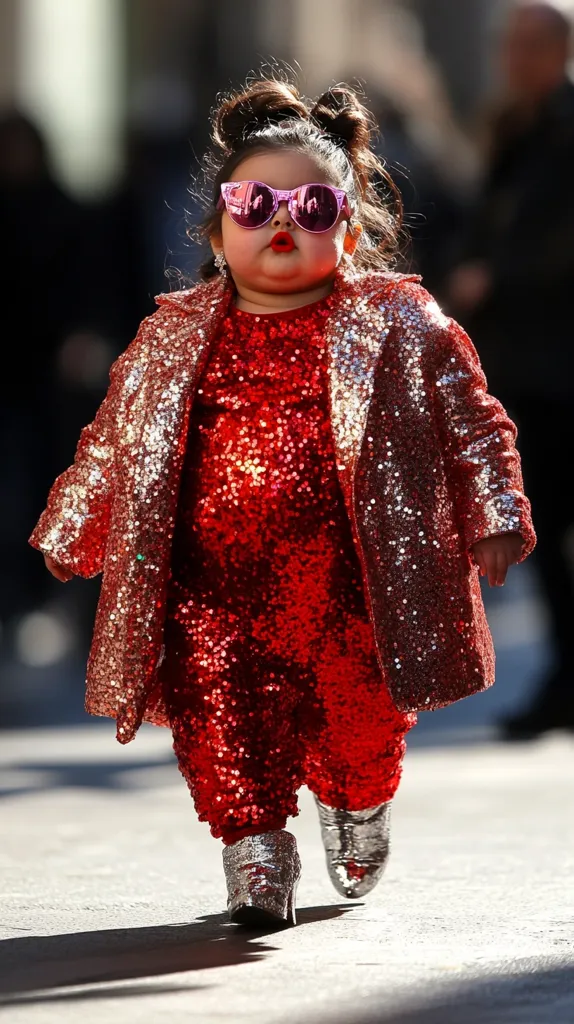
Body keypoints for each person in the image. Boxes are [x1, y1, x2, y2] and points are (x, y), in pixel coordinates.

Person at [29, 76, 535, 928]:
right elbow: (116, 437)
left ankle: (357, 798)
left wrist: (494, 512)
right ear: (219, 222)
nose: (280, 223)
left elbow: (473, 421)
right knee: (223, 729)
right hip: (210, 597)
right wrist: (78, 522)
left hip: (352, 596)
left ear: (347, 223)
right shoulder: (173, 331)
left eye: (310, 206)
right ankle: (255, 850)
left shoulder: (400, 322)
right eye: (255, 200)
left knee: (357, 724)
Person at [446, 2, 574, 740]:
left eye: (528, 46)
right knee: (547, 533)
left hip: (563, 364)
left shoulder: (563, 127)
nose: (513, 60)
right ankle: (564, 679)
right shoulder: (515, 127)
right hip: (528, 365)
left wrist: (497, 277)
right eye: (509, 46)